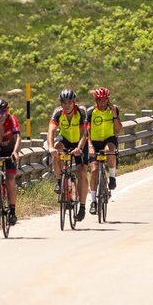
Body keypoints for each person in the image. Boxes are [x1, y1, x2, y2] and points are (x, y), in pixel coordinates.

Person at [48, 88, 90, 221]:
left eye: (69, 102)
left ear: (74, 102)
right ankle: (60, 182)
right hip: (65, 139)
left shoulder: (82, 111)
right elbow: (51, 131)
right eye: (64, 102)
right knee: (56, 150)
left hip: (80, 141)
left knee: (82, 173)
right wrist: (50, 147)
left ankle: (82, 207)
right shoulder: (58, 112)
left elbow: (84, 134)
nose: (67, 105)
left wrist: (79, 148)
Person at [86, 87, 121, 215]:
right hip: (94, 141)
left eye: (105, 100)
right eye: (100, 100)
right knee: (94, 170)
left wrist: (115, 116)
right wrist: (90, 145)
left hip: (109, 139)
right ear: (96, 100)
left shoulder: (113, 109)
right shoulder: (90, 112)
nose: (103, 103)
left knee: (109, 151)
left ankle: (112, 177)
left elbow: (118, 129)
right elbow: (86, 131)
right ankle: (93, 201)